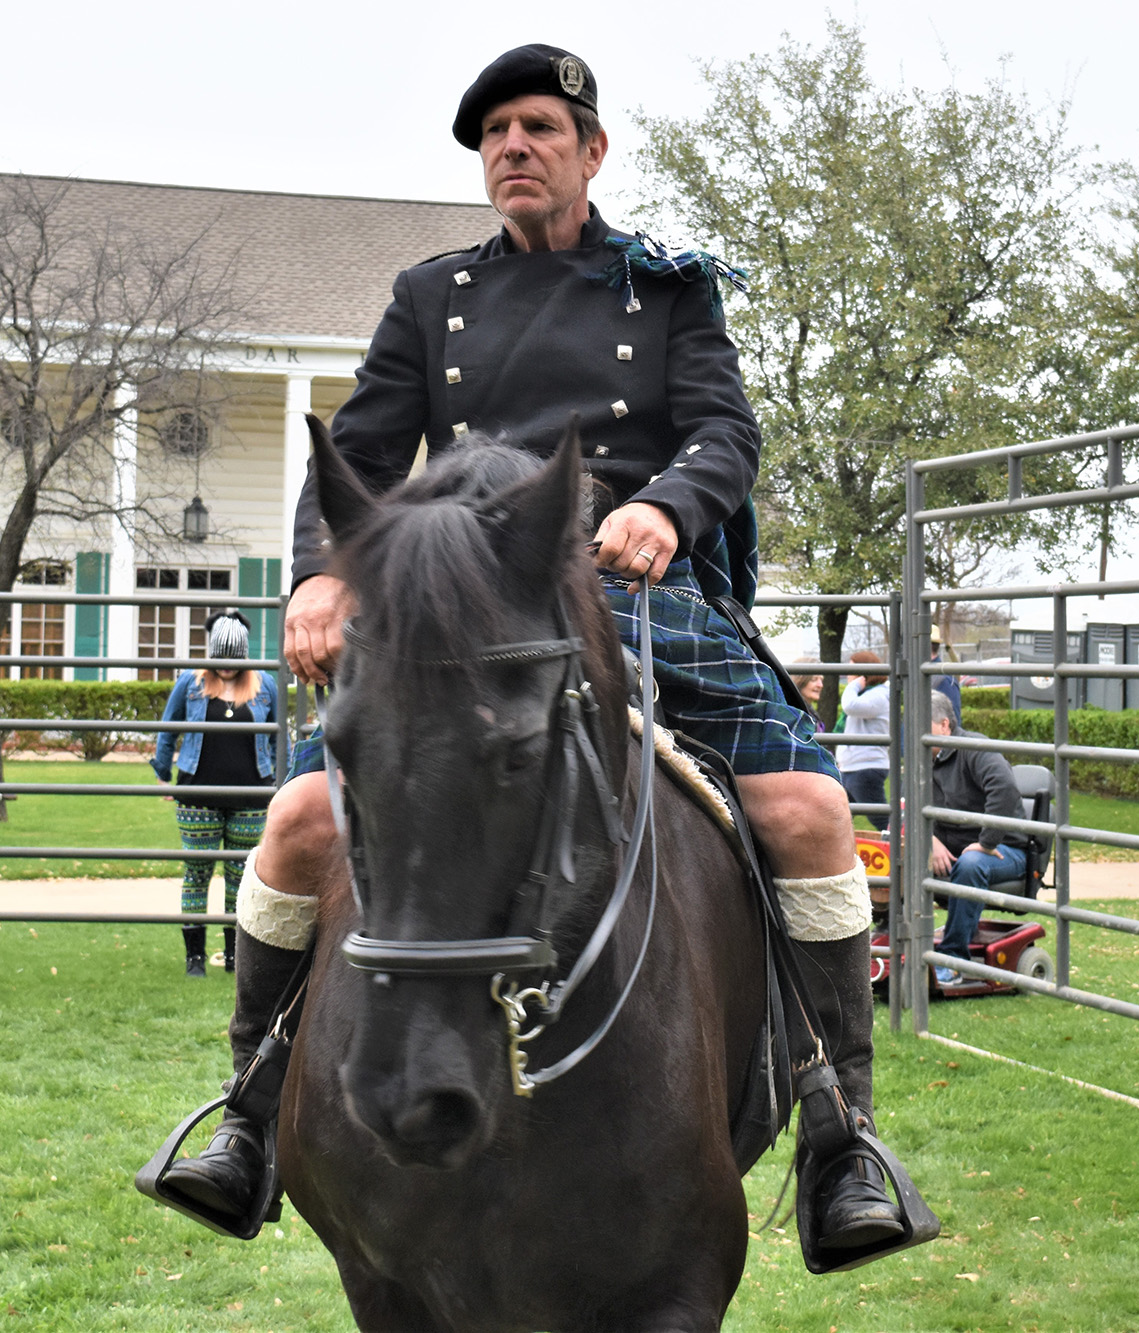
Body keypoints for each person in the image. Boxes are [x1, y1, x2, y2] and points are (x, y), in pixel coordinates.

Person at [158, 45, 905, 1256]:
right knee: (298, 822)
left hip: (624, 583)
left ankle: (838, 1130)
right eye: (494, 131)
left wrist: (663, 504)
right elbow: (360, 449)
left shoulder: (664, 292)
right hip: (460, 603)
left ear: (589, 150)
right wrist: (320, 572)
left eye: (537, 127)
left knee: (812, 810)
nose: (512, 146)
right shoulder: (428, 294)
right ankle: (248, 1112)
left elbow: (724, 429)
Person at [151, 612, 279, 978]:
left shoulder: (265, 685)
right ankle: (195, 958)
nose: (226, 668)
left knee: (241, 876)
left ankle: (235, 955)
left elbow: (276, 738)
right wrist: (162, 775)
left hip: (252, 796)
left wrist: (278, 782)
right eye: (220, 660)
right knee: (197, 872)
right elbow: (167, 728)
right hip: (197, 795)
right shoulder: (190, 683)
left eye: (233, 661)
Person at [924, 691, 1027, 985]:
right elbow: (909, 805)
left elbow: (1004, 788)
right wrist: (930, 840)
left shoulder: (975, 748)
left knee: (970, 864)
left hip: (1005, 850)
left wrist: (987, 842)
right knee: (898, 859)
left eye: (923, 725)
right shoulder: (926, 757)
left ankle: (952, 960)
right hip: (955, 847)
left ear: (944, 725)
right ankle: (900, 946)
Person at [838, 650, 891, 832]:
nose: (848, 676)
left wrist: (853, 686)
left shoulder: (878, 695)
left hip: (865, 767)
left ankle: (902, 851)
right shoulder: (870, 694)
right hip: (854, 767)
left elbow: (850, 706)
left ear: (864, 673)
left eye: (853, 670)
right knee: (838, 818)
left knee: (882, 820)